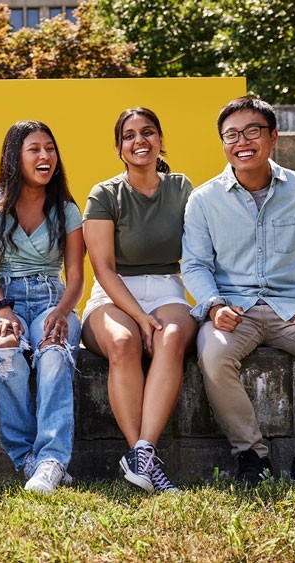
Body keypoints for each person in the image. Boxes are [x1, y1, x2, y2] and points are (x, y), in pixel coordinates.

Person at [181, 95, 295, 486]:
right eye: (230, 135)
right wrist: (214, 306)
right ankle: (251, 457)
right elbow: (195, 264)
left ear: (273, 137)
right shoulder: (203, 199)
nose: (241, 141)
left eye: (252, 131)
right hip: (234, 311)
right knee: (213, 355)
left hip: (291, 310)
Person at [81, 107, 198, 493]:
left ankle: (143, 454)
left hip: (167, 286)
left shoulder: (182, 188)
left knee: (171, 338)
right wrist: (139, 317)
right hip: (115, 293)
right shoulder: (104, 193)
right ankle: (143, 457)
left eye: (147, 132)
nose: (139, 141)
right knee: (124, 341)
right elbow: (103, 269)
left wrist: (156, 319)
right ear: (119, 148)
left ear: (161, 140)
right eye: (129, 135)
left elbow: (198, 252)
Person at [0, 121, 85, 494]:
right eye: (34, 149)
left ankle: (52, 459)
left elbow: (76, 277)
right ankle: (26, 459)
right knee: (5, 349)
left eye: (50, 148)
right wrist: (2, 311)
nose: (45, 156)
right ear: (14, 157)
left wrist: (61, 312)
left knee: (53, 352)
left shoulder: (66, 209)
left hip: (53, 297)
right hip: (2, 297)